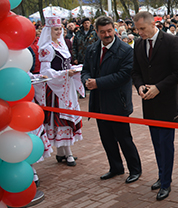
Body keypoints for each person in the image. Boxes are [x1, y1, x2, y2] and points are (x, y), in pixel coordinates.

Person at [81, 16, 142, 183]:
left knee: (124, 138)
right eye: (102, 32)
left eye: (109, 31)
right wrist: (86, 81)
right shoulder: (92, 49)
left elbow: (123, 75)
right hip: (99, 102)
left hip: (117, 102)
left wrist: (97, 83)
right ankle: (115, 167)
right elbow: (85, 70)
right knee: (106, 138)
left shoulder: (125, 50)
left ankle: (135, 169)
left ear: (114, 29)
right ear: (97, 32)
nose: (107, 35)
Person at [132, 11, 178, 201]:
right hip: (149, 103)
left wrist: (158, 88)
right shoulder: (138, 44)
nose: (140, 33)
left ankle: (166, 182)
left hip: (168, 103)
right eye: (137, 30)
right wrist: (139, 87)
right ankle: (162, 176)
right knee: (156, 143)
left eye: (142, 29)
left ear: (154, 24)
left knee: (166, 144)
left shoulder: (171, 41)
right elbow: (135, 71)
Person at [34, 17, 85, 167]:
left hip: (65, 86)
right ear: (48, 31)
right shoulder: (47, 48)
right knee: (61, 118)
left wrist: (73, 71)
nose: (58, 32)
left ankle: (62, 152)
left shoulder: (61, 44)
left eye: (60, 29)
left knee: (67, 114)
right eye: (55, 29)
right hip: (55, 88)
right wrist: (64, 74)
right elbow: (45, 71)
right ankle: (66, 152)